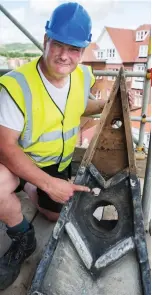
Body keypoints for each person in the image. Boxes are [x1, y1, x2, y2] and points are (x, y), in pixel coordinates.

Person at [0, 2, 133, 290]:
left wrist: (108, 105)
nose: (64, 55)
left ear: (82, 51)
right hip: (19, 162)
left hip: (56, 164)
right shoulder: (17, 85)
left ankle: (35, 192)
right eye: (58, 44)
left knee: (55, 215)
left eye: (73, 48)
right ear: (46, 41)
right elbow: (6, 148)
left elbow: (80, 105)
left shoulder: (83, 76)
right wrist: (47, 183)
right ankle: (22, 237)